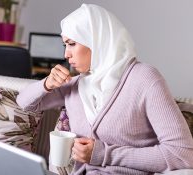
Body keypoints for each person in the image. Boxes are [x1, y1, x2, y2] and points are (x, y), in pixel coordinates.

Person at [17, 4, 193, 175]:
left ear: (96, 40)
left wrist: (104, 154)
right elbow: (24, 103)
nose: (66, 54)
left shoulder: (144, 79)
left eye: (72, 44)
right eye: (65, 45)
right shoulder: (76, 85)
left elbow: (182, 154)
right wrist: (46, 84)